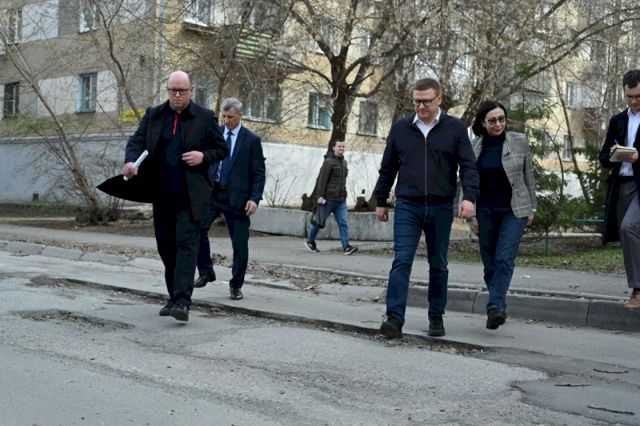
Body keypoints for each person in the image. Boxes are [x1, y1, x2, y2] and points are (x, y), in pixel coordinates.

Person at [375, 78, 479, 338]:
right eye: (417, 102)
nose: (421, 107)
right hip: (408, 205)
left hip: (440, 206)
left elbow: (468, 166)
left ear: (439, 99)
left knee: (438, 263)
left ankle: (436, 316)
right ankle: (394, 319)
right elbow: (388, 167)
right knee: (402, 260)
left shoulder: (455, 128)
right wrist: (381, 200)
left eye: (426, 101)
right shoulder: (401, 128)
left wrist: (469, 198)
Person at [122, 71, 228, 322]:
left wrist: (203, 156)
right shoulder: (155, 115)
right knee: (166, 246)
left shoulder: (204, 117)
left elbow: (221, 149)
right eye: (173, 90)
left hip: (191, 195)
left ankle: (182, 301)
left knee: (186, 245)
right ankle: (173, 297)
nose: (177, 95)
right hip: (162, 193)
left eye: (182, 91)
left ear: (191, 91)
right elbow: (136, 142)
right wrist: (130, 161)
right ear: (167, 91)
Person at [467, 100, 536, 330]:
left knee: (504, 257)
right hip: (484, 211)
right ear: (483, 122)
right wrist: (470, 215)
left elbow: (528, 175)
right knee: (490, 263)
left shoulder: (519, 141)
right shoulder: (474, 146)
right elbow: (467, 180)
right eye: (493, 120)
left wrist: (532, 207)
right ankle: (498, 304)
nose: (498, 124)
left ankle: (495, 306)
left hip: (514, 210)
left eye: (501, 119)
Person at [194, 98, 266, 300]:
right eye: (224, 116)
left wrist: (254, 198)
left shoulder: (251, 140)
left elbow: (259, 172)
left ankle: (236, 285)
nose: (226, 121)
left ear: (240, 115)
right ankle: (206, 271)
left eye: (231, 117)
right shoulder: (214, 134)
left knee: (240, 244)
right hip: (213, 194)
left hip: (238, 199)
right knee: (197, 229)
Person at [599, 69, 640, 309]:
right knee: (628, 236)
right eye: (629, 96)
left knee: (629, 227)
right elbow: (603, 156)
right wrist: (614, 155)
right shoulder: (617, 120)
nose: (633, 101)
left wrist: (638, 157)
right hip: (622, 185)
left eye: (638, 96)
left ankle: (638, 290)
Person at [304, 140, 358, 255]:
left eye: (343, 146)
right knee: (319, 221)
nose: (341, 148)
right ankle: (310, 241)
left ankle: (346, 247)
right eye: (339, 146)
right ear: (333, 148)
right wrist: (320, 196)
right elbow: (322, 180)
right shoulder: (328, 162)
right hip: (328, 199)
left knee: (343, 222)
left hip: (341, 200)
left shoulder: (344, 162)